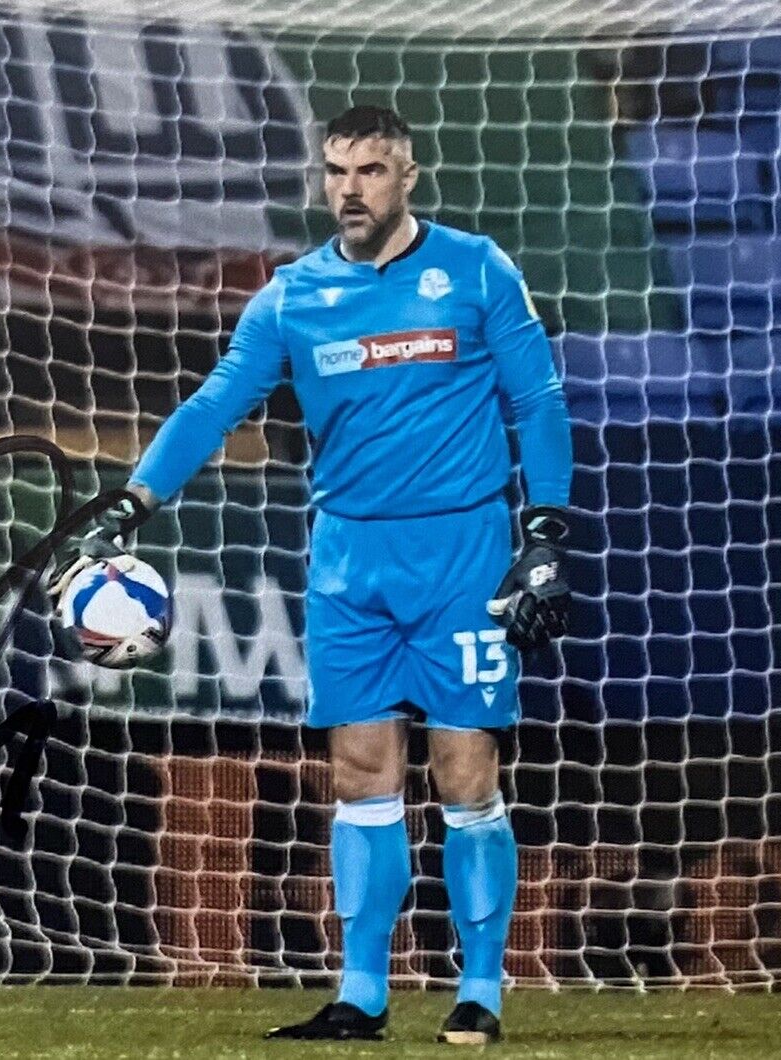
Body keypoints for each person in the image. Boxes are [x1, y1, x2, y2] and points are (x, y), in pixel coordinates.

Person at [50, 104, 574, 1045]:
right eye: (336, 171)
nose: (349, 189)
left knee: (464, 775)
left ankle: (481, 991)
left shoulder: (478, 269)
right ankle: (361, 995)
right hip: (348, 565)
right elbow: (215, 406)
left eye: (370, 171)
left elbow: (535, 397)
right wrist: (133, 503)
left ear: (408, 176)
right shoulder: (292, 296)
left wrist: (541, 533)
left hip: (461, 560)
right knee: (360, 774)